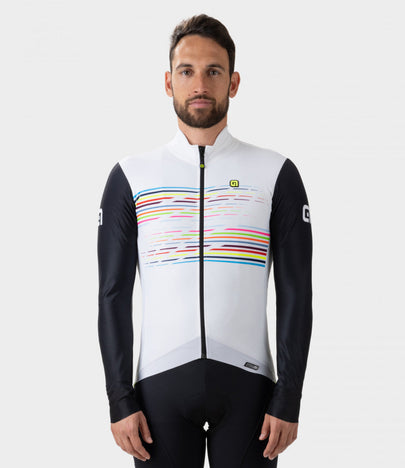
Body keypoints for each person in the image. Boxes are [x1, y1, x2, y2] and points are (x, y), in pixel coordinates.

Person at [97, 13, 313, 468]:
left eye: (213, 71)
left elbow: (296, 292)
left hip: (251, 389)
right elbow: (113, 294)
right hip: (158, 390)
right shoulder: (131, 176)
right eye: (186, 71)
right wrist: (119, 399)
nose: (199, 84)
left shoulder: (276, 173)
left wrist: (289, 395)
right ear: (168, 82)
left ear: (233, 83)